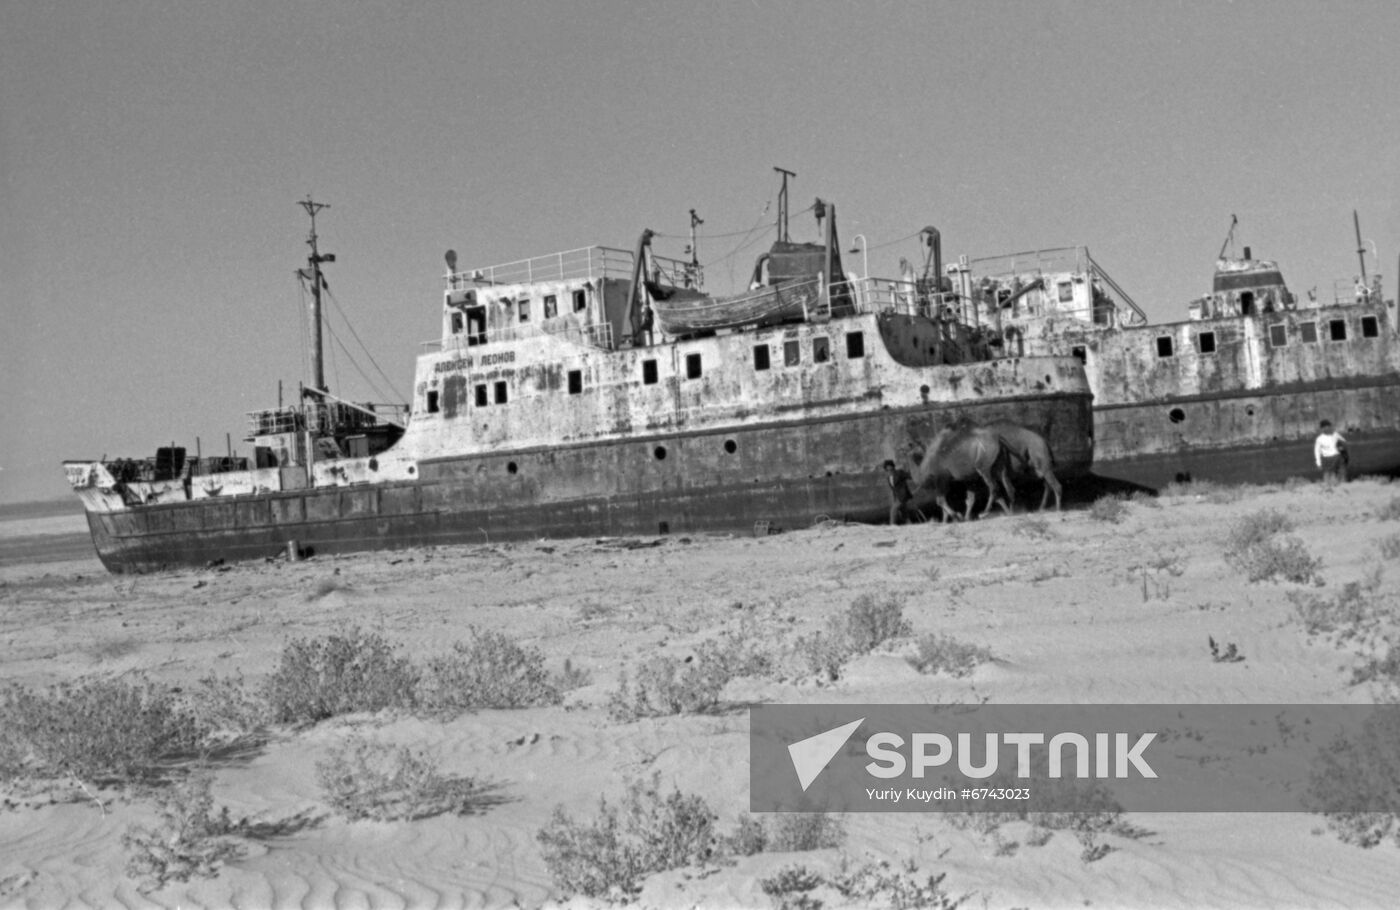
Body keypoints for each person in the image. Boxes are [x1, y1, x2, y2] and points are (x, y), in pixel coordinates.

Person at [1314, 420, 1348, 487]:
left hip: (1337, 456)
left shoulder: (1335, 434)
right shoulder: (1319, 439)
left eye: (1329, 427)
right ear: (1322, 429)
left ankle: (1340, 484)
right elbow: (1317, 451)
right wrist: (1318, 463)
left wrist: (1341, 447)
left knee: (1340, 470)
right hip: (1327, 458)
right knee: (1328, 473)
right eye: (1325, 427)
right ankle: (1328, 486)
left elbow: (1343, 441)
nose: (1328, 428)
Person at [883, 459, 918, 524]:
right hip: (898, 497)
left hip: (903, 496)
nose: (890, 471)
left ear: (893, 467)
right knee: (904, 513)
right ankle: (910, 525)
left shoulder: (899, 473)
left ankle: (892, 526)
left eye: (891, 469)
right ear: (886, 470)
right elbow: (894, 489)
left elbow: (910, 476)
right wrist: (894, 499)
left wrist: (912, 469)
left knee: (893, 510)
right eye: (887, 470)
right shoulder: (888, 478)